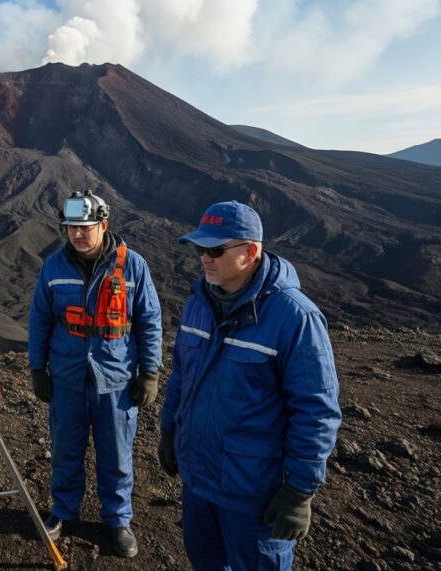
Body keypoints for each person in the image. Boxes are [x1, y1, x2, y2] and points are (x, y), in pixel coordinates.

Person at [157, 200, 342, 570]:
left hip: (253, 494)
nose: (204, 258)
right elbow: (181, 376)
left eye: (216, 250)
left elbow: (316, 411)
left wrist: (299, 490)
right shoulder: (198, 304)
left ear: (251, 252)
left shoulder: (295, 318)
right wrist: (169, 429)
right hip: (198, 481)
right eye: (200, 249)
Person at [28, 189, 163, 558]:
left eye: (85, 227)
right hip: (67, 375)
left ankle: (118, 520)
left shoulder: (133, 266)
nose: (77, 234)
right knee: (65, 449)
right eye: (71, 227)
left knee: (116, 454)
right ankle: (64, 511)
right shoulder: (53, 267)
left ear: (104, 225)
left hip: (115, 377)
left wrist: (150, 372)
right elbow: (40, 319)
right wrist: (37, 368)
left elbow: (149, 321)